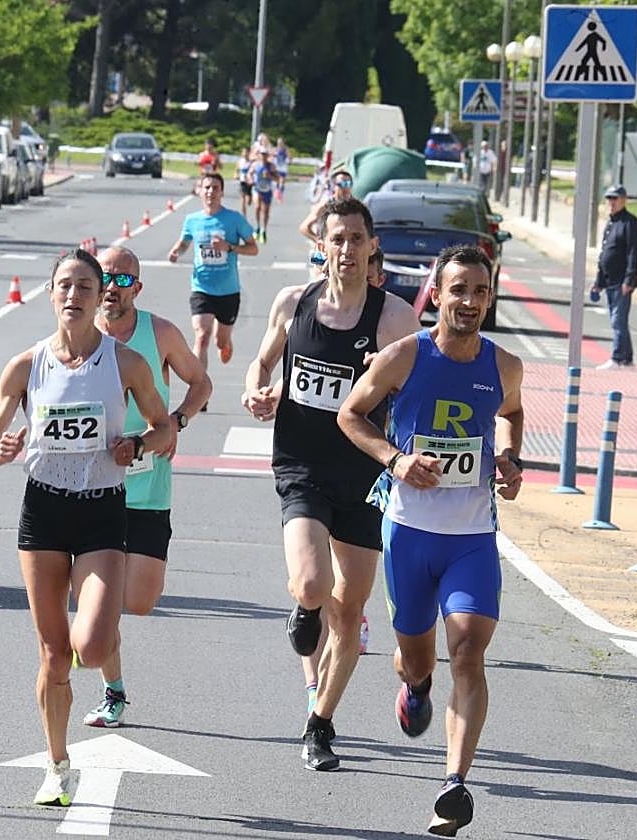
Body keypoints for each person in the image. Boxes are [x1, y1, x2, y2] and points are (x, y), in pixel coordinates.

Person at [337, 243, 524, 837]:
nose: (469, 301)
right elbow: (350, 414)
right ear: (436, 295)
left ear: (489, 299)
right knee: (417, 659)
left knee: (467, 651)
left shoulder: (504, 365)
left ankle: (454, 784)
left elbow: (512, 414)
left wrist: (511, 458)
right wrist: (396, 460)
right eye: (458, 290)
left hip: (472, 538)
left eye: (480, 291)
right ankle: (415, 687)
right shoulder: (404, 356)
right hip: (410, 533)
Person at [0, 249, 173, 807]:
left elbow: (164, 427)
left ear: (98, 295)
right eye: (65, 285)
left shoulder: (127, 362)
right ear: (51, 294)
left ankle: (104, 673)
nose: (74, 295)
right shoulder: (26, 365)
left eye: (85, 286)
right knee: (54, 655)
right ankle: (57, 765)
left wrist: (137, 444)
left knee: (91, 643)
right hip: (43, 512)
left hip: (102, 511)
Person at [242, 196, 419, 772]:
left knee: (350, 613)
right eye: (336, 239)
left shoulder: (394, 319)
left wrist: (389, 390)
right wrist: (257, 390)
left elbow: (416, 393)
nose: (346, 250)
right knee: (313, 583)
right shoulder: (293, 303)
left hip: (364, 475)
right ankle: (304, 606)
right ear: (321, 245)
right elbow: (262, 362)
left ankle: (320, 723)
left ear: (372, 247)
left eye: (356, 239)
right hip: (302, 465)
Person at [82, 246, 213, 728]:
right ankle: (112, 686)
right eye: (105, 277)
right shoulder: (81, 333)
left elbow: (200, 383)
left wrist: (176, 422)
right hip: (93, 485)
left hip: (148, 484)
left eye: (123, 279)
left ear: (137, 288)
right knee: (104, 603)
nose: (112, 287)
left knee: (139, 600)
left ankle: (97, 629)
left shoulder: (158, 334)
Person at [168, 172, 260, 374]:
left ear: (222, 192)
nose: (210, 191)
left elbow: (254, 248)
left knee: (220, 341)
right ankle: (199, 385)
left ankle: (226, 342)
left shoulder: (234, 219)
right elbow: (184, 242)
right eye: (207, 187)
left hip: (228, 291)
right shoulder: (192, 220)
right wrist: (176, 251)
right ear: (200, 191)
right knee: (202, 336)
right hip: (201, 288)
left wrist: (230, 247)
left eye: (215, 188)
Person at [591, 185, 637, 370]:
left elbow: (633, 252)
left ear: (624, 200)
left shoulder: (630, 222)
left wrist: (630, 278)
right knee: (618, 320)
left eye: (615, 198)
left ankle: (618, 357)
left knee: (617, 320)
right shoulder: (611, 222)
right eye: (609, 198)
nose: (611, 202)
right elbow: (605, 252)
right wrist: (598, 282)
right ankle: (627, 359)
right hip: (609, 279)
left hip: (622, 280)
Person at [299, 168, 353, 244]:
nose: (346, 187)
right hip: (329, 248)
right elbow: (304, 227)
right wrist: (321, 242)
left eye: (348, 184)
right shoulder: (326, 205)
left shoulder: (355, 204)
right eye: (342, 184)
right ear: (334, 186)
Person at [249, 150, 279, 243]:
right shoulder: (255, 164)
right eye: (262, 154)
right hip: (257, 188)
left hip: (267, 190)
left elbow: (277, 179)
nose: (263, 156)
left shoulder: (271, 166)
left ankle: (263, 230)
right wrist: (251, 180)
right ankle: (257, 226)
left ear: (267, 156)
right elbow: (249, 174)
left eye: (265, 154)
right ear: (259, 155)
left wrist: (269, 176)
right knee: (257, 207)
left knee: (266, 212)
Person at [235, 146, 254, 217]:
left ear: (249, 153)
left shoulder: (252, 162)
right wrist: (236, 175)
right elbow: (236, 170)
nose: (245, 153)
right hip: (242, 181)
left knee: (248, 201)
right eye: (243, 152)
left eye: (246, 152)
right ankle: (243, 216)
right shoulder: (240, 161)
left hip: (249, 182)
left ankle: (250, 196)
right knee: (243, 199)